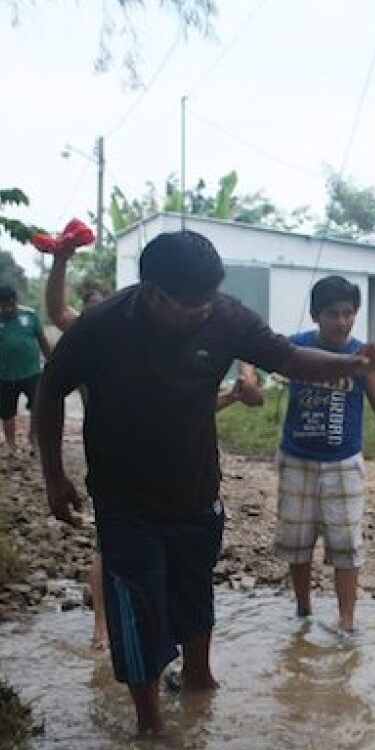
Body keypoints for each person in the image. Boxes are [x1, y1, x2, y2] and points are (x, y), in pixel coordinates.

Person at [34, 230, 375, 736]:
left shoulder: (226, 315)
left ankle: (200, 683)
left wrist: (352, 363)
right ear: (153, 293)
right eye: (190, 304)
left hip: (198, 491)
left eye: (209, 299)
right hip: (124, 500)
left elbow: (287, 358)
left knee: (196, 593)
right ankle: (150, 724)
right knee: (137, 611)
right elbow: (50, 392)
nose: (203, 311)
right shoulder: (102, 325)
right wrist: (54, 476)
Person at [41, 240, 264, 651]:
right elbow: (57, 317)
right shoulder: (98, 330)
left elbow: (203, 401)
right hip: (123, 484)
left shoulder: (181, 331)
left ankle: (179, 665)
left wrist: (237, 393)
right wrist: (60, 260)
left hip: (188, 488)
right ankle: (103, 628)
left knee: (186, 587)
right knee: (115, 564)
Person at [275, 275, 375, 632]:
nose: (342, 321)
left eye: (349, 313)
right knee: (296, 540)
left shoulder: (362, 357)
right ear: (314, 315)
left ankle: (347, 621)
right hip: (296, 460)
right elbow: (258, 356)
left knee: (346, 543)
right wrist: (244, 374)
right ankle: (302, 610)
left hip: (344, 463)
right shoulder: (296, 349)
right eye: (333, 313)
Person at [0, 286, 52, 452]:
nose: (8, 309)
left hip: (32, 372)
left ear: (16, 301)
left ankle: (33, 436)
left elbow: (42, 339)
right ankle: (11, 444)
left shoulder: (30, 315)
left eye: (11, 305)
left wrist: (52, 361)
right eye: (4, 306)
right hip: (6, 375)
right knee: (7, 412)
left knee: (38, 405)